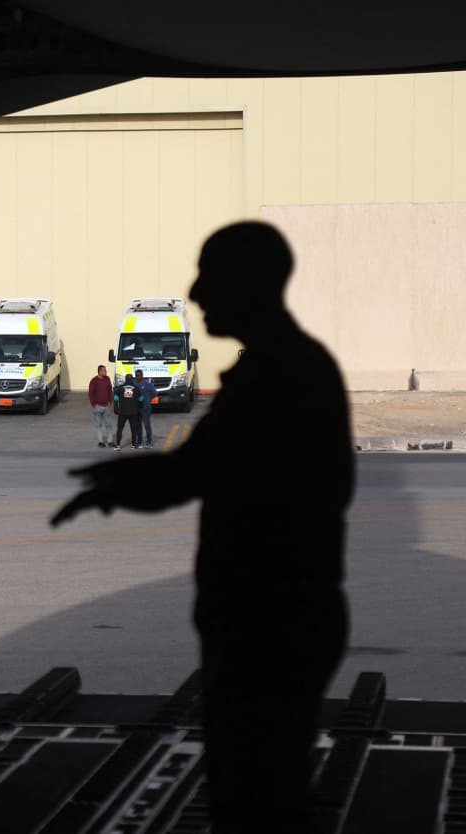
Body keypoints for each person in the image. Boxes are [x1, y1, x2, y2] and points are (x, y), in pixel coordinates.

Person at [52, 221, 352, 834]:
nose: (196, 290)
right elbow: (198, 469)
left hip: (271, 621)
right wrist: (117, 484)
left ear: (252, 285)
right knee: (259, 785)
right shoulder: (281, 368)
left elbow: (197, 473)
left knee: (255, 793)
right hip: (271, 616)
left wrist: (120, 487)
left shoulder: (282, 376)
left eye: (210, 275)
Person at [87, 364, 114, 448]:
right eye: (104, 370)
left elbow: (110, 390)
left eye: (106, 370)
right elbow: (91, 393)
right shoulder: (94, 381)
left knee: (108, 424)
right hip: (97, 406)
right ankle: (100, 441)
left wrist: (110, 401)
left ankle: (110, 441)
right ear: (100, 371)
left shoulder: (107, 379)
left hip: (106, 406)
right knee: (98, 425)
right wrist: (93, 404)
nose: (106, 372)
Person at [112, 375, 141, 450]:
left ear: (125, 379)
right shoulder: (137, 389)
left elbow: (115, 399)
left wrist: (116, 409)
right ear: (132, 380)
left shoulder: (120, 388)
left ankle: (118, 445)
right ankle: (133, 445)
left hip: (122, 412)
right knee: (133, 429)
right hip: (133, 412)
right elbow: (141, 400)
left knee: (120, 429)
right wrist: (138, 409)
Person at [134, 369, 158, 448]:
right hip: (137, 408)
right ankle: (139, 442)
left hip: (145, 408)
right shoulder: (134, 384)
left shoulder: (148, 384)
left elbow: (155, 393)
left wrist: (147, 399)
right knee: (138, 426)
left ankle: (149, 442)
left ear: (142, 375)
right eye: (136, 375)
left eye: (139, 375)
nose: (137, 377)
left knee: (146, 424)